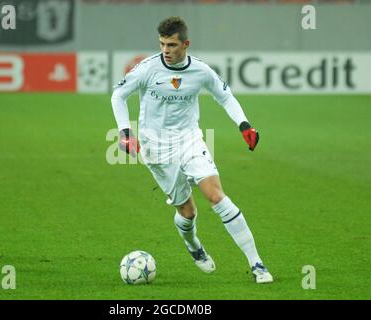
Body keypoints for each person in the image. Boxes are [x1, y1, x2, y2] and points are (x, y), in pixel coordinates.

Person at [111, 16, 273, 283]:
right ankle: (193, 244)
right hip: (156, 149)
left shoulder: (201, 71)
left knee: (216, 196)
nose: (166, 50)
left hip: (190, 140)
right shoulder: (147, 69)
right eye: (162, 44)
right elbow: (119, 95)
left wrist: (244, 124)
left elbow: (225, 95)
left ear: (186, 44)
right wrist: (125, 132)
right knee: (187, 212)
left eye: (172, 45)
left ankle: (257, 264)